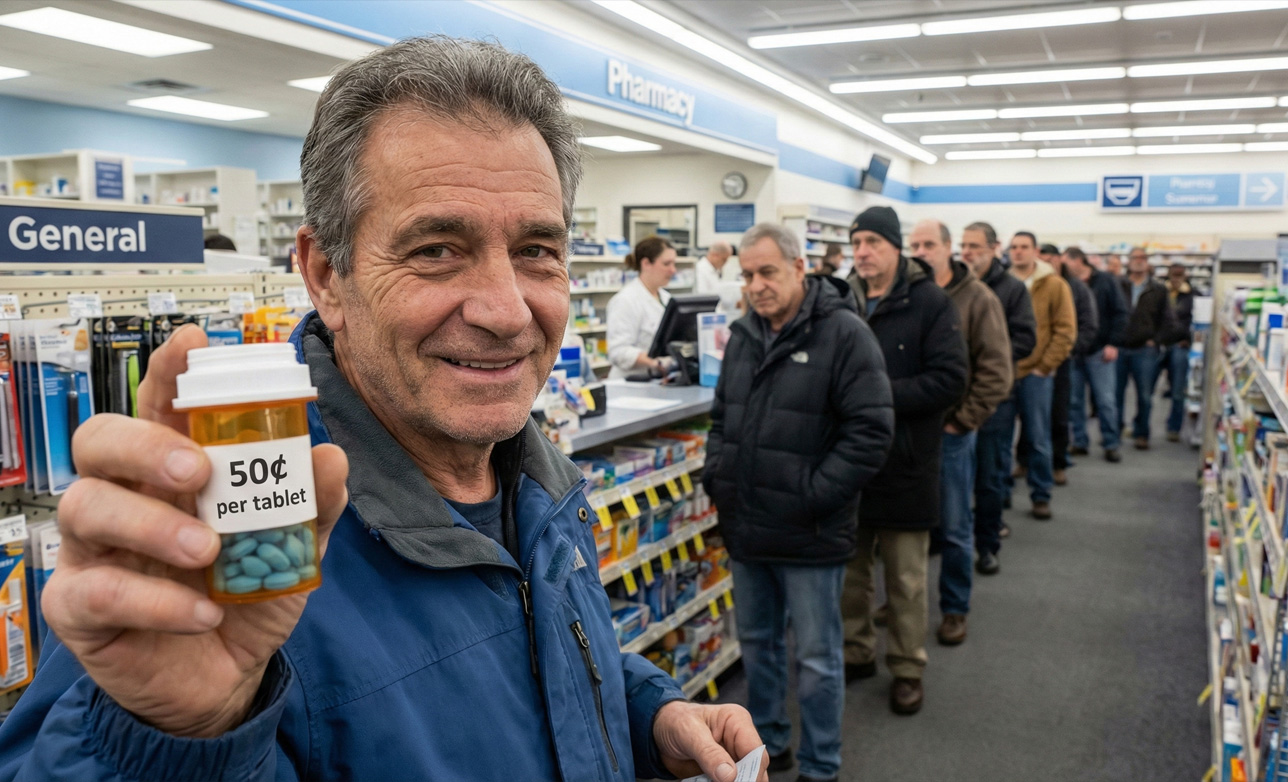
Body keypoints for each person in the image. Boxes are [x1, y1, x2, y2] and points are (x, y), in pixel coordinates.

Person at [0, 36, 767, 782]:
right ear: (326, 275)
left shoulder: (533, 479)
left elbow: (513, 660)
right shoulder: (232, 536)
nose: (506, 310)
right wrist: (174, 743)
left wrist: (646, 717)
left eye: (537, 249)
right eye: (436, 249)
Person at [704, 223, 892, 782]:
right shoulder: (741, 334)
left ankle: (821, 764)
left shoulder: (844, 334)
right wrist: (721, 477)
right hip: (747, 526)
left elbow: (870, 432)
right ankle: (771, 747)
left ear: (799, 269)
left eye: (768, 272)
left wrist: (812, 495)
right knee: (758, 648)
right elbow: (721, 421)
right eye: (747, 275)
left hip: (811, 532)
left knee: (816, 659)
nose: (756, 285)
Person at [843, 205, 968, 716]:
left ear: (896, 247)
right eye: (856, 242)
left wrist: (876, 395)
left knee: (906, 580)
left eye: (872, 241)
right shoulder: (839, 298)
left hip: (907, 463)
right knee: (850, 574)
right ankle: (857, 651)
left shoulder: (930, 301)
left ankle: (908, 668)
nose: (862, 251)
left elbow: (949, 379)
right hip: (849, 464)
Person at [908, 219, 1011, 646]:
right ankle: (904, 600)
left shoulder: (978, 299)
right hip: (907, 434)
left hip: (951, 433)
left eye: (929, 244)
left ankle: (954, 607)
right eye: (913, 244)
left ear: (949, 249)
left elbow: (997, 371)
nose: (920, 251)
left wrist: (962, 420)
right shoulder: (908, 295)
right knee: (907, 529)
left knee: (953, 527)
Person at [959, 221, 1035, 573]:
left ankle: (987, 545)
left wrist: (990, 355)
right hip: (956, 396)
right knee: (952, 474)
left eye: (975, 246)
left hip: (996, 397)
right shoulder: (954, 287)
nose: (968, 252)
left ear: (994, 248)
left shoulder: (1012, 289)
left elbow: (1025, 339)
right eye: (964, 246)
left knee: (989, 476)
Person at [1006, 232, 1075, 520]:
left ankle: (1040, 494)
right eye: (1014, 247)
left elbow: (1065, 330)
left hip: (1036, 373)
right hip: (1004, 373)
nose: (1018, 252)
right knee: (999, 440)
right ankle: (1000, 494)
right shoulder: (1002, 284)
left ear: (1035, 251)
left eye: (1024, 247)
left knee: (1037, 437)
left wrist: (1045, 366)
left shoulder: (1054, 285)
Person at [1016, 248, 1096, 486]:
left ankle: (1058, 464)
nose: (1047, 263)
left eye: (1051, 259)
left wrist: (1056, 357)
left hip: (1058, 363)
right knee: (1029, 421)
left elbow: (1078, 325)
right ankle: (1023, 461)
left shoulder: (1070, 287)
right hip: (1025, 365)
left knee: (1057, 417)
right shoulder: (1018, 283)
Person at [1063, 247, 1127, 463]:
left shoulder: (1106, 280)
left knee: (1105, 400)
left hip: (1100, 350)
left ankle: (1111, 443)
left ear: (1079, 261)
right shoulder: (1067, 283)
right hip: (1074, 351)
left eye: (1066, 262)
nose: (1063, 266)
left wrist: (1113, 343)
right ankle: (1079, 441)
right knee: (1074, 401)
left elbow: (1120, 312)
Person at [1117, 247, 1172, 450]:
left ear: (1147, 262)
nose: (1138, 261)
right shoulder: (1118, 285)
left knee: (1145, 395)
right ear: (1128, 261)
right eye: (1135, 258)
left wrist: (1156, 340)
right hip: (1120, 347)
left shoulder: (1158, 289)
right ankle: (1115, 432)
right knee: (1115, 395)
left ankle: (1142, 433)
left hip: (1145, 349)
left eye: (1142, 258)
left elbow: (1167, 319)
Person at [606, 235, 677, 379]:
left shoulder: (667, 298)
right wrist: (654, 362)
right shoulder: (626, 300)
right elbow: (618, 352)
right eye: (666, 264)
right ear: (646, 263)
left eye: (674, 264)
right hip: (630, 385)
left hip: (658, 380)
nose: (673, 270)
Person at [1161, 263, 1196, 442]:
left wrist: (1189, 340)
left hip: (1180, 346)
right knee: (1144, 390)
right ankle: (1140, 428)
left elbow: (1196, 320)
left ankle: (1174, 427)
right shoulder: (1159, 291)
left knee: (1177, 390)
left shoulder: (1192, 294)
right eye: (1173, 276)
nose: (1176, 279)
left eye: (1179, 276)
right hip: (1159, 345)